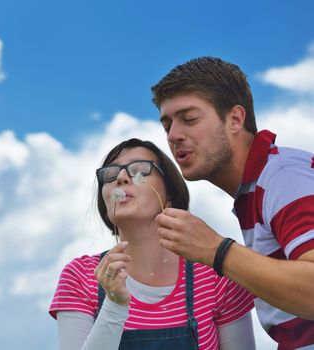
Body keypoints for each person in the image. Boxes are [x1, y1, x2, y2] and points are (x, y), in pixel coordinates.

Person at [152, 56, 314, 349]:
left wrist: (216, 250)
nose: (174, 136)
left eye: (189, 119)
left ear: (235, 119)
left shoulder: (282, 175)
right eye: (167, 126)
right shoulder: (257, 188)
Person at [49, 138, 255, 350]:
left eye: (140, 170)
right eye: (110, 174)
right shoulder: (80, 277)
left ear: (170, 196)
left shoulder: (216, 276)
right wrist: (114, 306)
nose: (120, 177)